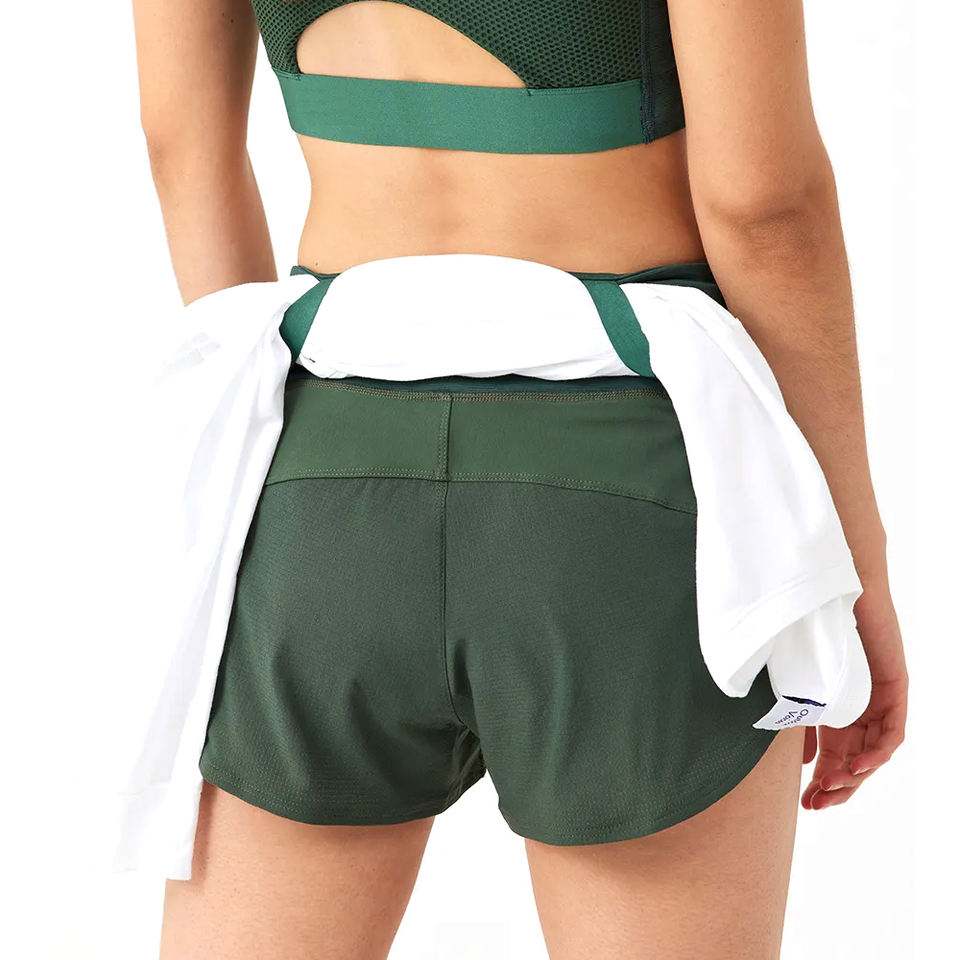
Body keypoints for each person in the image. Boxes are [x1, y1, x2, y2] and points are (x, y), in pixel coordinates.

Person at [131, 1, 908, 957]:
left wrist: (255, 435)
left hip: (320, 482)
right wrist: (846, 555)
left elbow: (182, 147)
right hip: (635, 485)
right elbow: (763, 203)